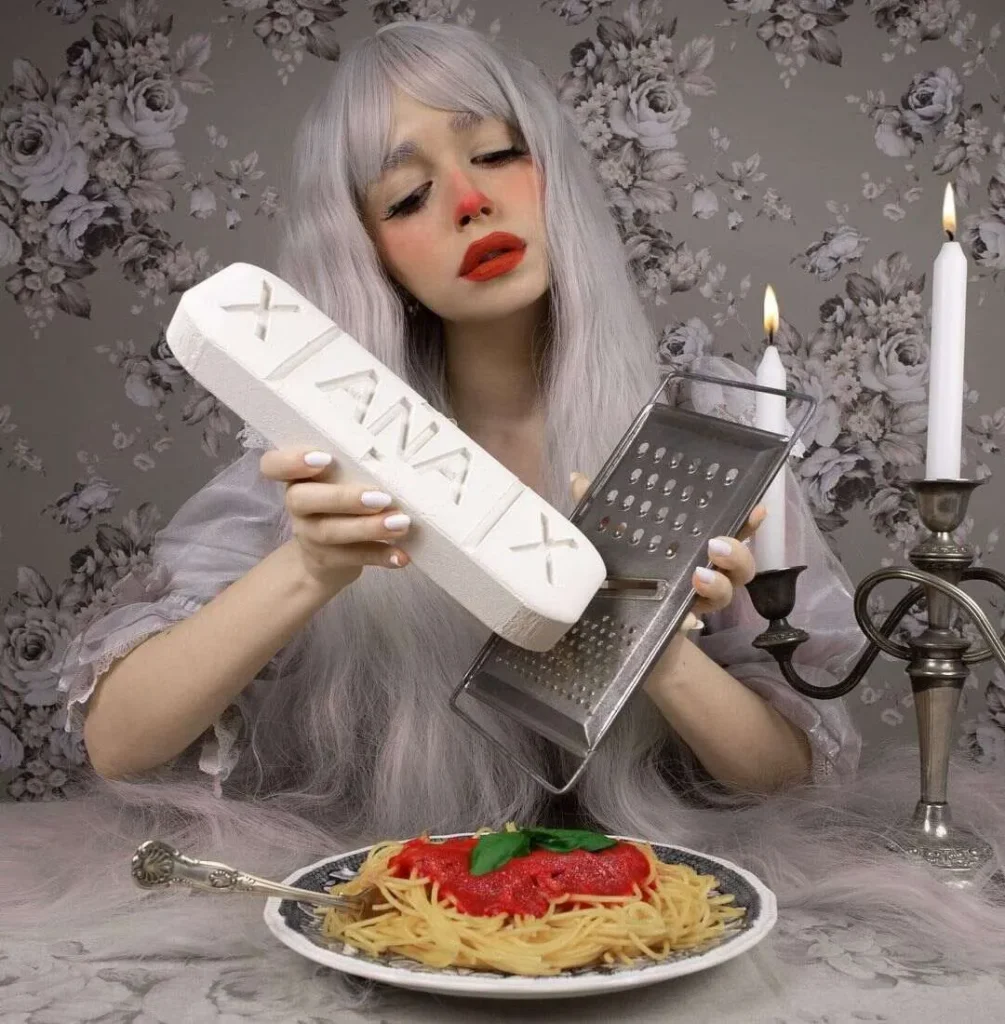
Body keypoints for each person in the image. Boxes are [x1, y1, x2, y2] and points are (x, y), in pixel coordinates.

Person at [58, 21, 862, 844]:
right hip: (397, 903)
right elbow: (119, 745)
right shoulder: (320, 475)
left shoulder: (706, 445)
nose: (469, 202)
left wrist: (644, 642)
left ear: (553, 175)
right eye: (407, 197)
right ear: (373, 258)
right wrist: (309, 568)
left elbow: (789, 779)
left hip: (649, 899)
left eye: (496, 154)